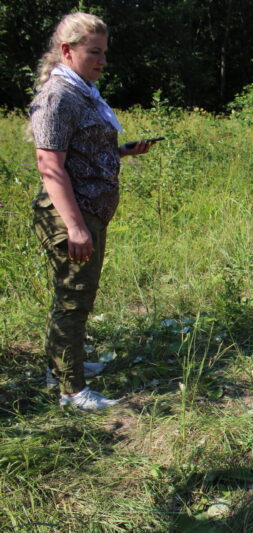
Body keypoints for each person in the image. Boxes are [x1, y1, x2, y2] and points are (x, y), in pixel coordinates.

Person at [29, 12, 157, 410]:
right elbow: (49, 166)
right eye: (94, 52)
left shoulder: (82, 92)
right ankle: (72, 391)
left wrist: (121, 152)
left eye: (105, 53)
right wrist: (75, 227)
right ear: (67, 51)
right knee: (74, 297)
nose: (102, 61)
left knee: (76, 294)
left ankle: (65, 365)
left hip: (88, 211)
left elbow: (80, 153)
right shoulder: (59, 96)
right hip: (73, 213)